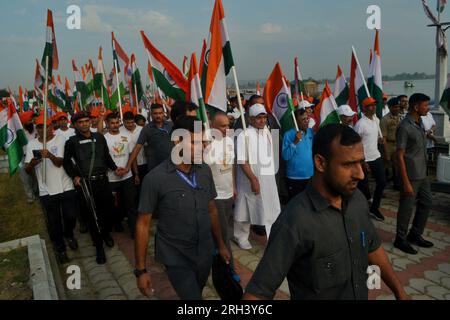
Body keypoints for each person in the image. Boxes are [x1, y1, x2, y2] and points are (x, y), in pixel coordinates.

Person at [243, 124, 409, 300]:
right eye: (348, 164)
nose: (360, 175)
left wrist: (399, 291)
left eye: (361, 162)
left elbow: (372, 248)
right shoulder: (294, 222)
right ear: (320, 163)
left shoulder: (358, 200)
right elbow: (256, 294)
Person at [135, 115, 231, 300]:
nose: (203, 148)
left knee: (197, 290)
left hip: (204, 252)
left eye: (204, 142)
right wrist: (141, 270)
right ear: (177, 141)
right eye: (195, 142)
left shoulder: (204, 171)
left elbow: (211, 210)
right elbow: (143, 225)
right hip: (176, 256)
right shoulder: (155, 179)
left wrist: (220, 245)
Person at [63, 111, 127, 264]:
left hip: (103, 181)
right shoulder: (71, 142)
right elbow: (66, 162)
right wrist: (75, 176)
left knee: (108, 212)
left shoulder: (99, 137)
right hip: (87, 183)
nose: (85, 124)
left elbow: (106, 156)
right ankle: (98, 247)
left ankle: (106, 235)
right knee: (92, 215)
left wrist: (115, 167)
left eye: (87, 121)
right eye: (81, 122)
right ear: (75, 124)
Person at [25, 115, 78, 264]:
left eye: (45, 126)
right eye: (39, 127)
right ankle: (60, 249)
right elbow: (28, 169)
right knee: (54, 222)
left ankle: (69, 234)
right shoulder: (31, 145)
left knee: (70, 216)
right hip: (46, 189)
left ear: (51, 127)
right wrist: (34, 162)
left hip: (65, 185)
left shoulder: (60, 139)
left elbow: (60, 162)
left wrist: (49, 155)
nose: (42, 129)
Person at [234, 104, 281, 249]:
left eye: (264, 117)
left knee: (270, 206)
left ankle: (273, 235)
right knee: (244, 209)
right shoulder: (244, 135)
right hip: (249, 179)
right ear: (250, 119)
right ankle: (240, 237)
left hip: (267, 178)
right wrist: (253, 179)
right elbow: (242, 160)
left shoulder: (266, 131)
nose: (262, 120)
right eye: (258, 118)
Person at [395, 93, 434, 255]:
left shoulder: (420, 123)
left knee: (427, 203)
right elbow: (399, 155)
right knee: (406, 208)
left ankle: (415, 234)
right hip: (410, 175)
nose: (428, 108)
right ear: (416, 107)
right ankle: (400, 239)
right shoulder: (405, 126)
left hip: (422, 173)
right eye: (425, 105)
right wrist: (405, 181)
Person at [205, 111, 236, 269]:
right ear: (213, 126)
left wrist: (234, 187)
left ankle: (214, 257)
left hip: (229, 194)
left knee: (220, 231)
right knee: (223, 235)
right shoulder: (207, 145)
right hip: (216, 197)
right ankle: (230, 269)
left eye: (228, 125)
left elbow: (231, 167)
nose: (226, 129)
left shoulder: (229, 141)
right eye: (222, 126)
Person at [103, 112, 138, 237]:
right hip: (112, 178)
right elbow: (103, 158)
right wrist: (114, 169)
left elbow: (132, 156)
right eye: (112, 123)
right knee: (113, 205)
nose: (115, 125)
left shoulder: (127, 136)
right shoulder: (104, 138)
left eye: (117, 122)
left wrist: (134, 173)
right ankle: (116, 223)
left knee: (131, 204)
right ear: (107, 123)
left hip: (127, 176)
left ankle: (134, 230)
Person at [355, 97, 386, 221]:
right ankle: (361, 208)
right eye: (370, 106)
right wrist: (362, 161)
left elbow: (373, 137)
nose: (373, 107)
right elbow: (356, 144)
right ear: (364, 108)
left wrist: (380, 139)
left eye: (374, 105)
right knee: (363, 185)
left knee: (382, 182)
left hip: (376, 155)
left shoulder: (376, 120)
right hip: (364, 158)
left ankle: (374, 208)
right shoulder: (360, 124)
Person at [127, 104, 173, 174]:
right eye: (155, 113)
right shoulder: (146, 129)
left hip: (171, 165)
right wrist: (128, 166)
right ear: (151, 114)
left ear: (164, 113)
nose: (158, 116)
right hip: (155, 168)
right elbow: (137, 147)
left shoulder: (171, 125)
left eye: (160, 113)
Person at [282, 108, 314, 200]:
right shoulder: (288, 135)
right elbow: (285, 156)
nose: (306, 122)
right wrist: (295, 142)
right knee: (296, 207)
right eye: (303, 120)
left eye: (307, 118)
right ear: (295, 121)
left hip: (310, 177)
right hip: (294, 178)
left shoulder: (311, 132)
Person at [380, 97, 402, 189]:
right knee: (386, 165)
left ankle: (396, 184)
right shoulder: (385, 119)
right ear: (389, 107)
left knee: (397, 166)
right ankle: (382, 185)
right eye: (395, 107)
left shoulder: (400, 117)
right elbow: (383, 137)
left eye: (398, 107)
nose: (397, 109)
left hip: (398, 144)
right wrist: (386, 152)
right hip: (388, 144)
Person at [19, 110, 38, 204]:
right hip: (24, 157)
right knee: (26, 177)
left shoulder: (36, 128)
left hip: (36, 156)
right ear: (23, 121)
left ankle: (36, 192)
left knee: (36, 176)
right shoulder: (19, 133)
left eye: (32, 119)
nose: (31, 121)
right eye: (29, 120)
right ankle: (30, 196)